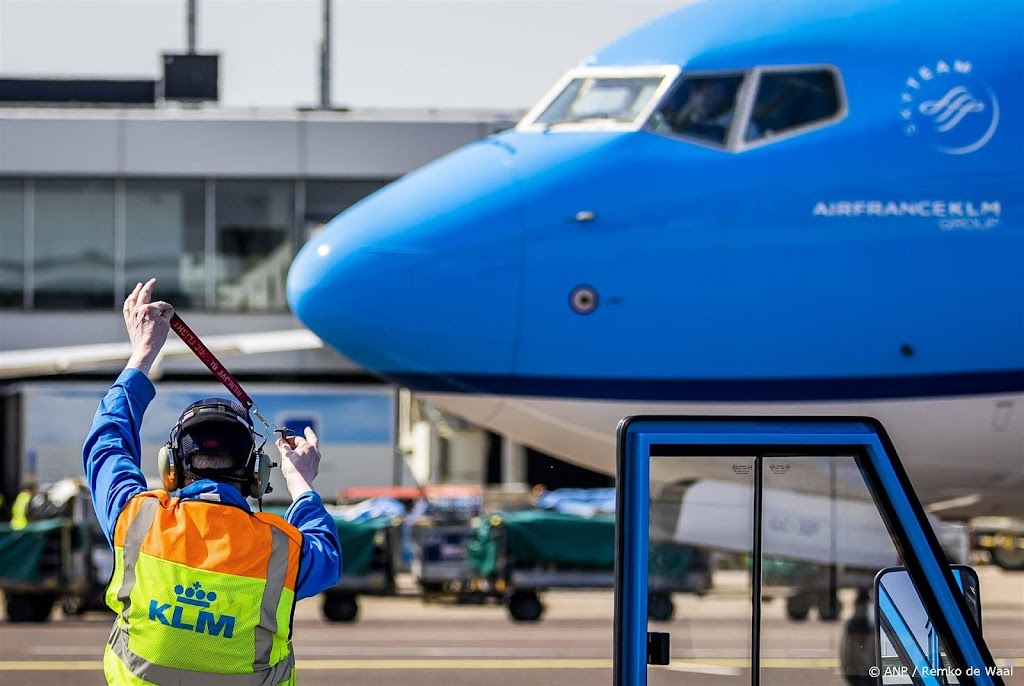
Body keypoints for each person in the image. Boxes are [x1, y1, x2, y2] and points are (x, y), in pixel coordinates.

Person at [83, 278, 341, 685]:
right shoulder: (281, 549)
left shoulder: (137, 519)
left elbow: (107, 445)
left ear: (171, 468)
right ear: (257, 476)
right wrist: (301, 482)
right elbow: (327, 555)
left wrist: (141, 357)